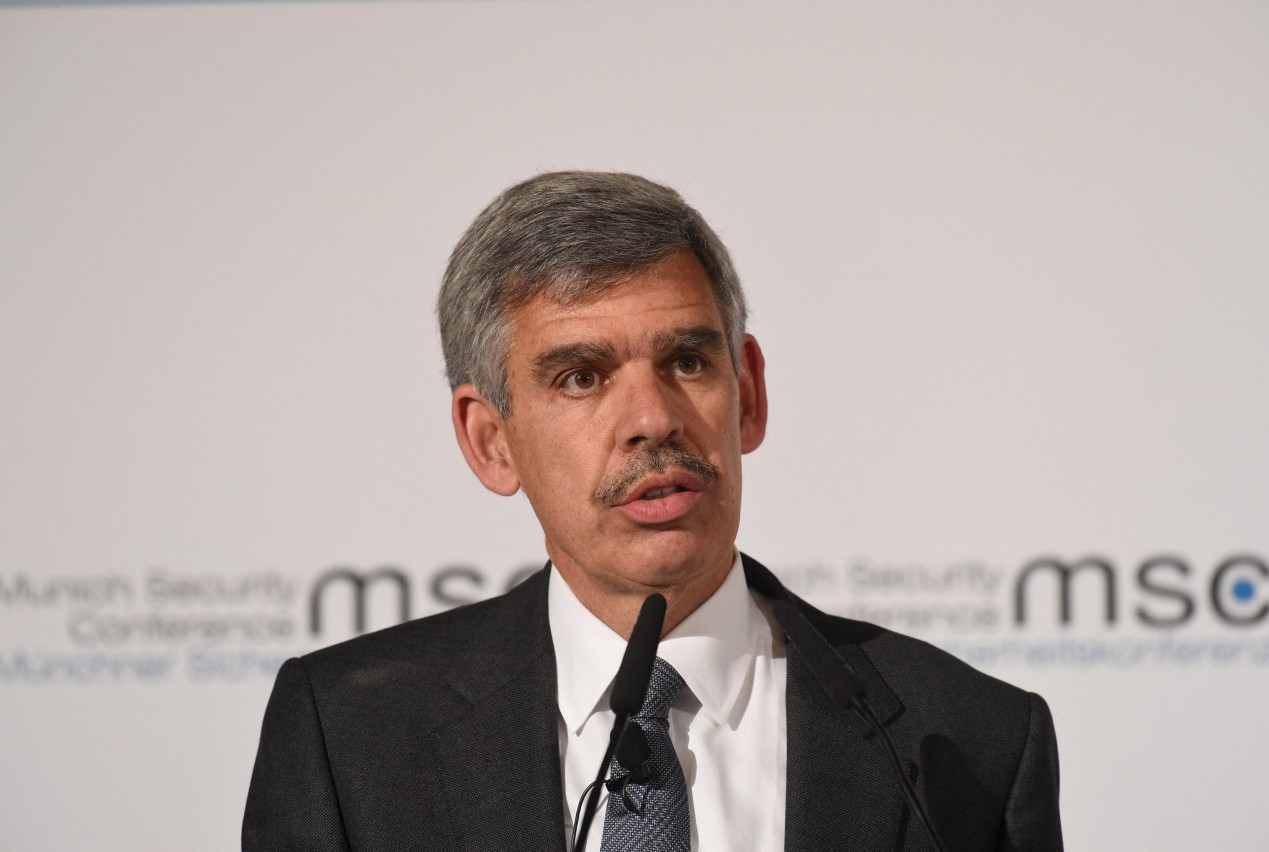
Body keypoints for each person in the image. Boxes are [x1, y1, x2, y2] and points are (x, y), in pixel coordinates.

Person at [243, 171, 1063, 851]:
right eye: (581, 377)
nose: (654, 419)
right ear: (491, 441)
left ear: (749, 394)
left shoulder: (969, 741)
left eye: (688, 361)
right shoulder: (350, 738)